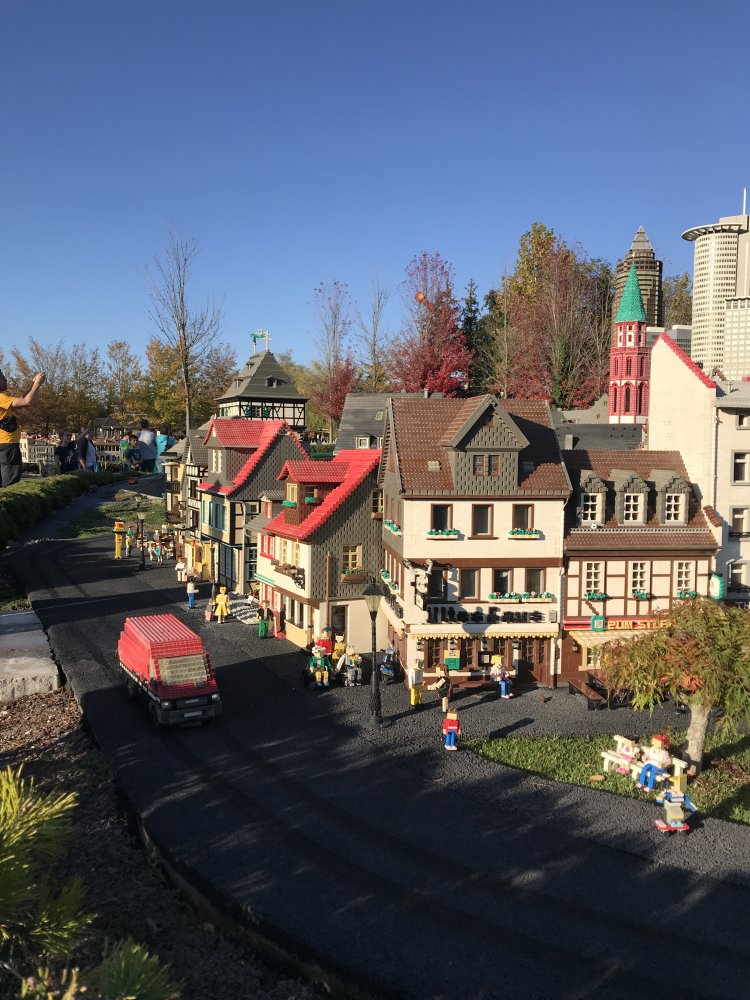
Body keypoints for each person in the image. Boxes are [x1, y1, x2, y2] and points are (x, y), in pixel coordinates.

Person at [0, 369, 46, 487]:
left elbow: (21, 400)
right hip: (7, 444)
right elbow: (26, 401)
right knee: (10, 483)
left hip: (3, 444)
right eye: (2, 378)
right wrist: (37, 385)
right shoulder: (1, 398)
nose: (6, 380)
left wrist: (32, 385)